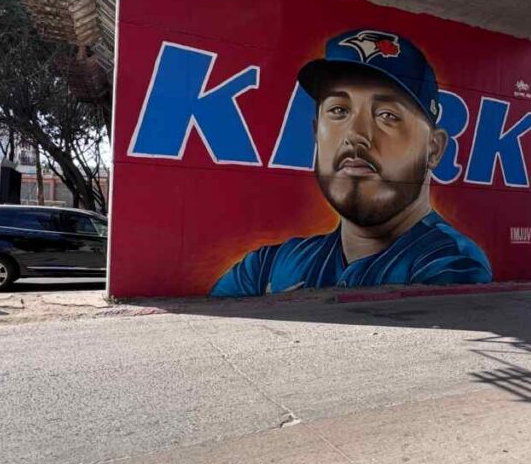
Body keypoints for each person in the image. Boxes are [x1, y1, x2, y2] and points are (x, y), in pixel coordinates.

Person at [211, 29, 492, 296]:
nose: (356, 135)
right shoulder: (266, 266)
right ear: (316, 134)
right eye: (338, 110)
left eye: (387, 115)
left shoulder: (452, 264)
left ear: (434, 149)